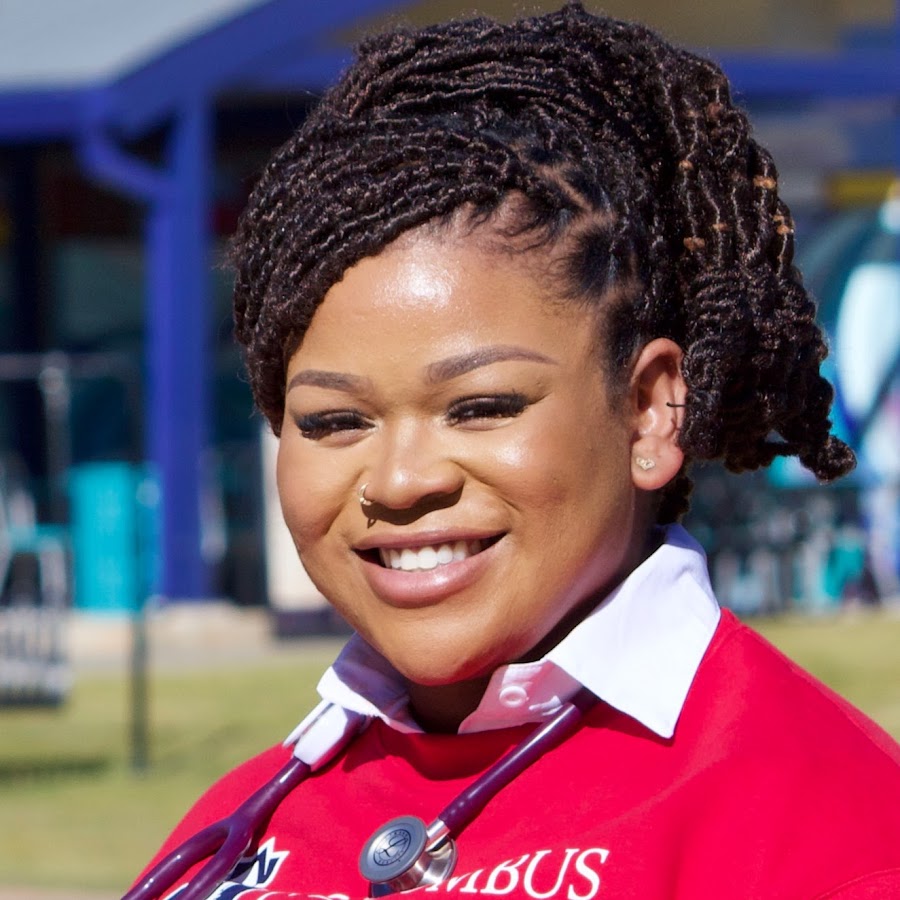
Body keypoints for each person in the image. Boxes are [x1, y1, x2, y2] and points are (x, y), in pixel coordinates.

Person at [128, 3, 900, 898]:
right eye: (334, 421)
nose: (400, 481)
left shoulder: (827, 827)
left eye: (481, 408)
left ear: (651, 412)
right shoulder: (234, 832)